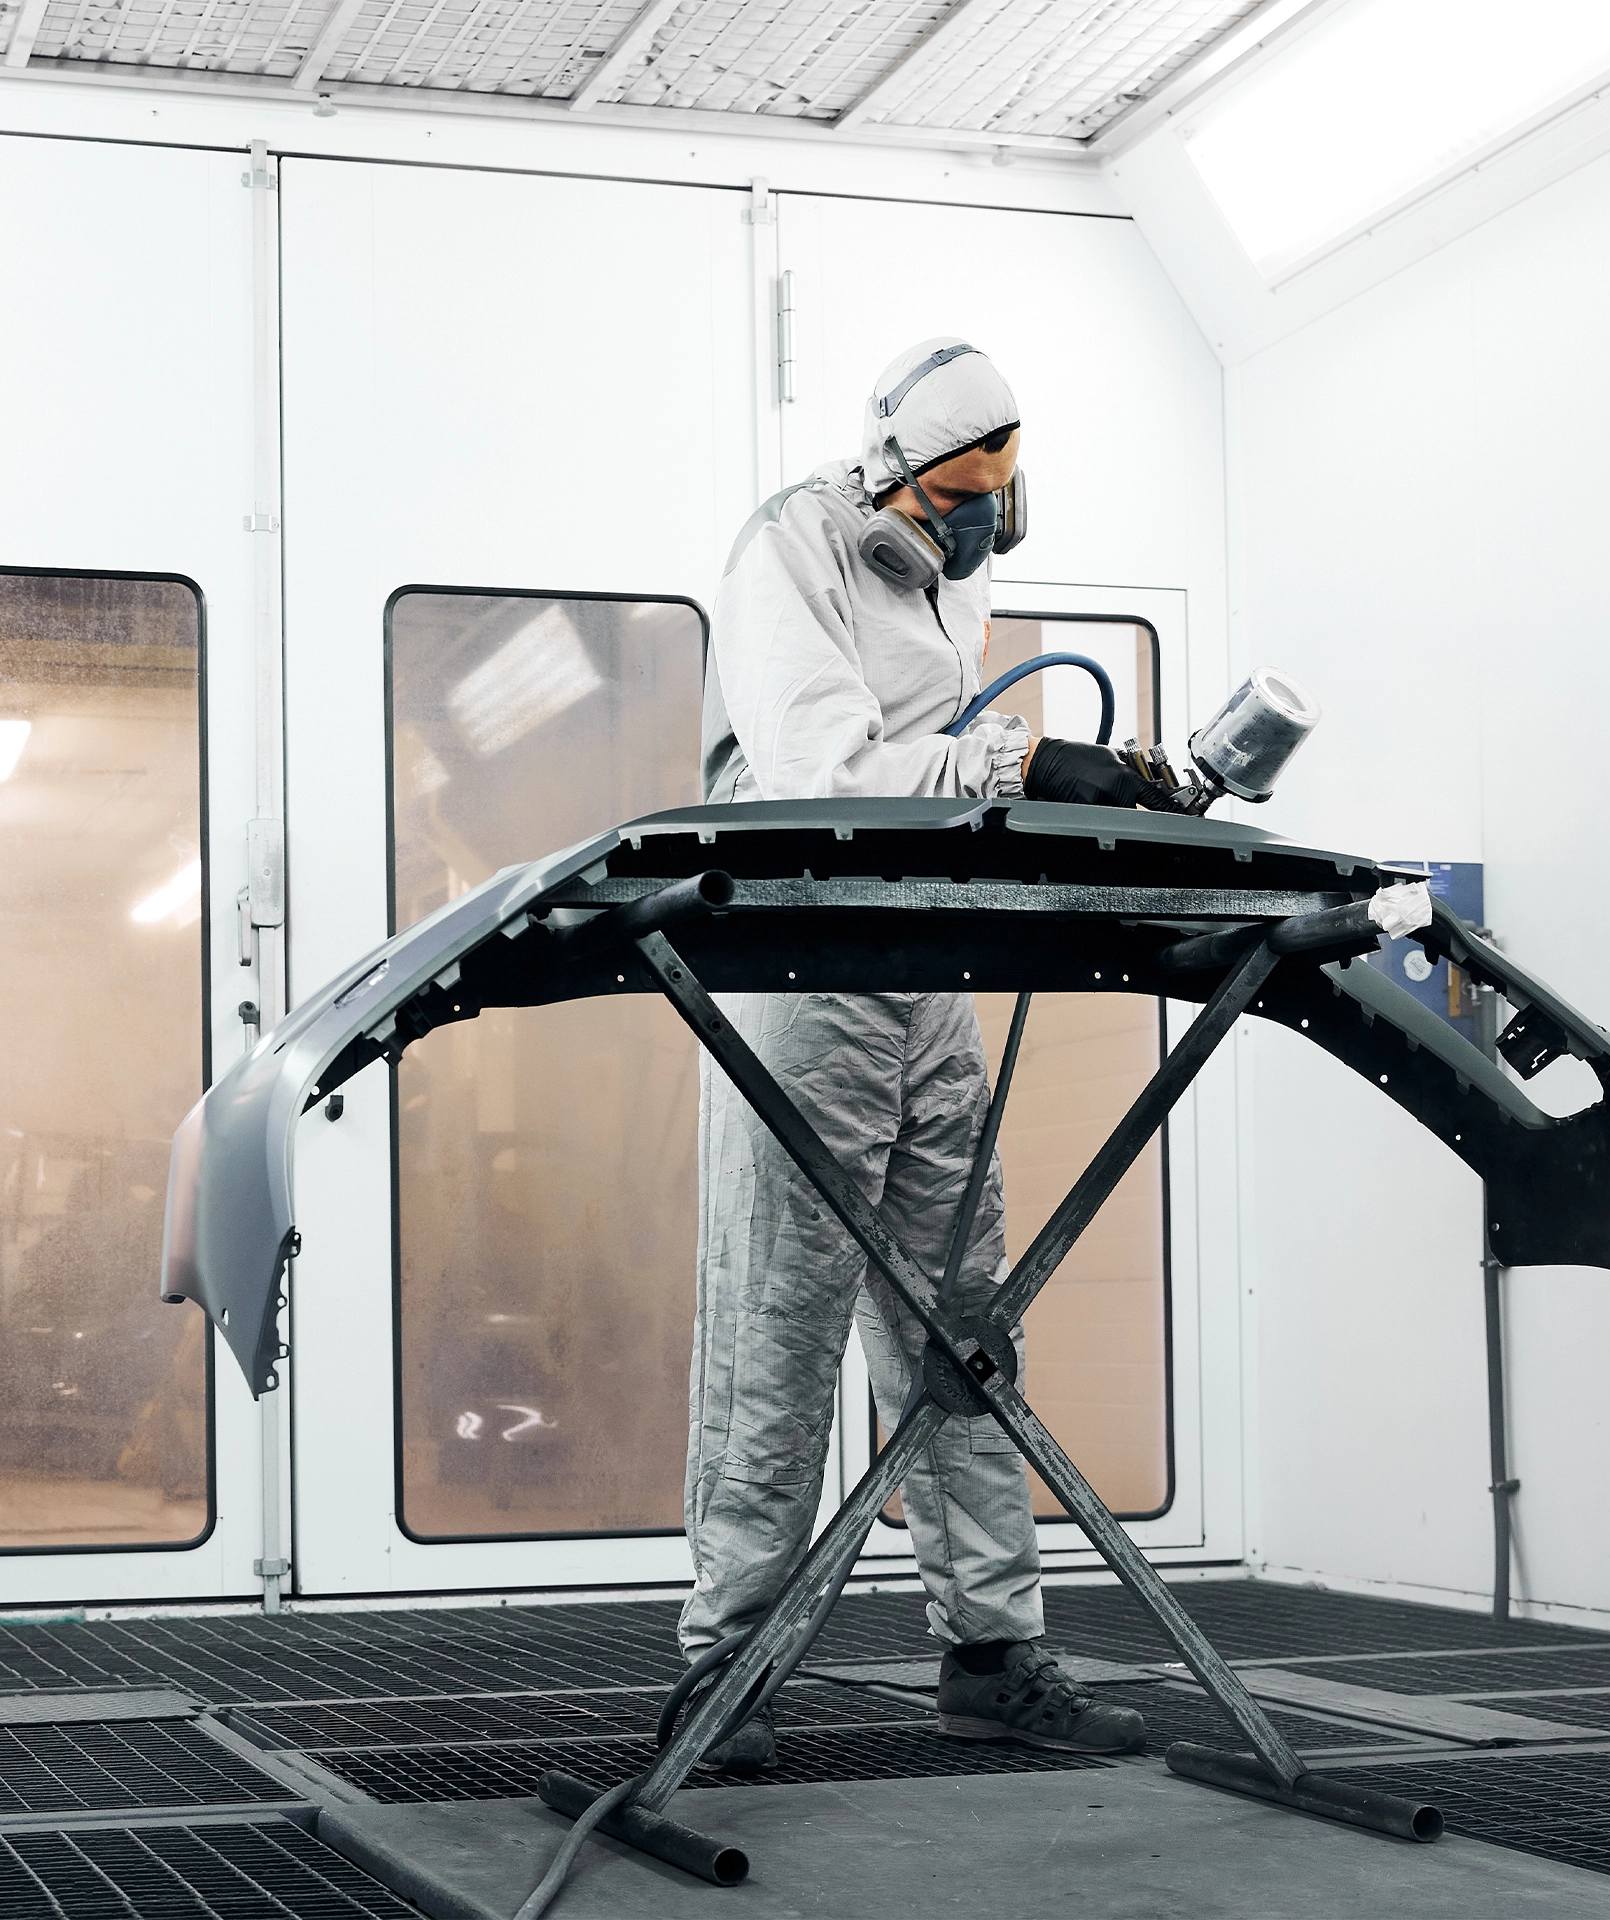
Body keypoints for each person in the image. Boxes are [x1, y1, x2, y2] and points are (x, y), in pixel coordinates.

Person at [684, 336, 1153, 1772]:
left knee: (963, 1323)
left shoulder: (963, 572)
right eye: (946, 498)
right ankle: (730, 1673)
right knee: (781, 1319)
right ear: (891, 476)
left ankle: (994, 1653)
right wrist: (1010, 764)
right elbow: (823, 777)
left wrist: (1046, 784)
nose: (964, 525)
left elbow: (938, 763)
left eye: (986, 499)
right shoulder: (795, 551)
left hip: (925, 974)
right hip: (805, 962)